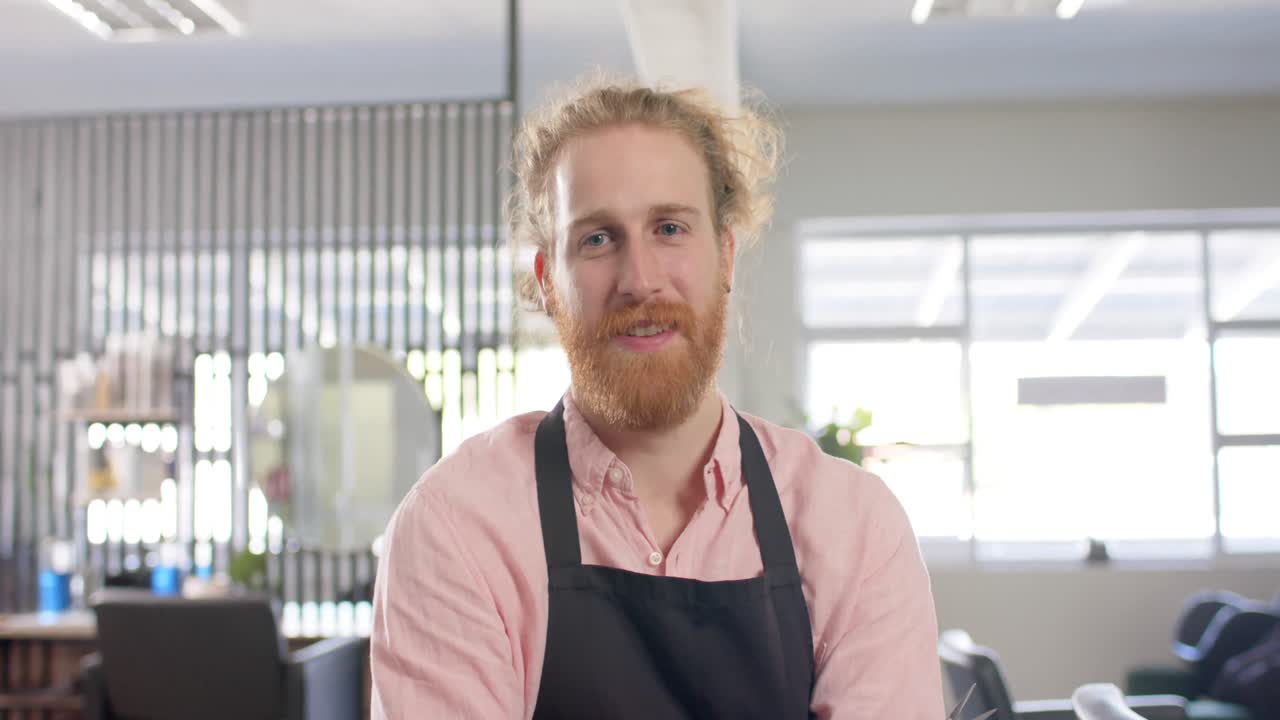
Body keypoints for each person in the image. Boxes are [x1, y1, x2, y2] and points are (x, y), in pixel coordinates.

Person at [370, 77, 946, 719]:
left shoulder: (854, 528)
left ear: (725, 258)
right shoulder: (458, 528)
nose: (640, 280)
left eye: (669, 228)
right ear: (547, 282)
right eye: (596, 239)